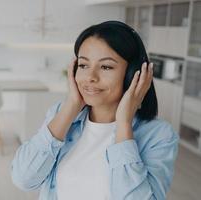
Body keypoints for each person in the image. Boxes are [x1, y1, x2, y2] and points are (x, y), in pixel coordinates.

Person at [11, 21, 179, 200]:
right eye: (83, 65)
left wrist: (123, 125)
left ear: (132, 74)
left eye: (106, 67)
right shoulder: (60, 113)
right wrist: (71, 106)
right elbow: (24, 179)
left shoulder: (159, 135)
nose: (90, 77)